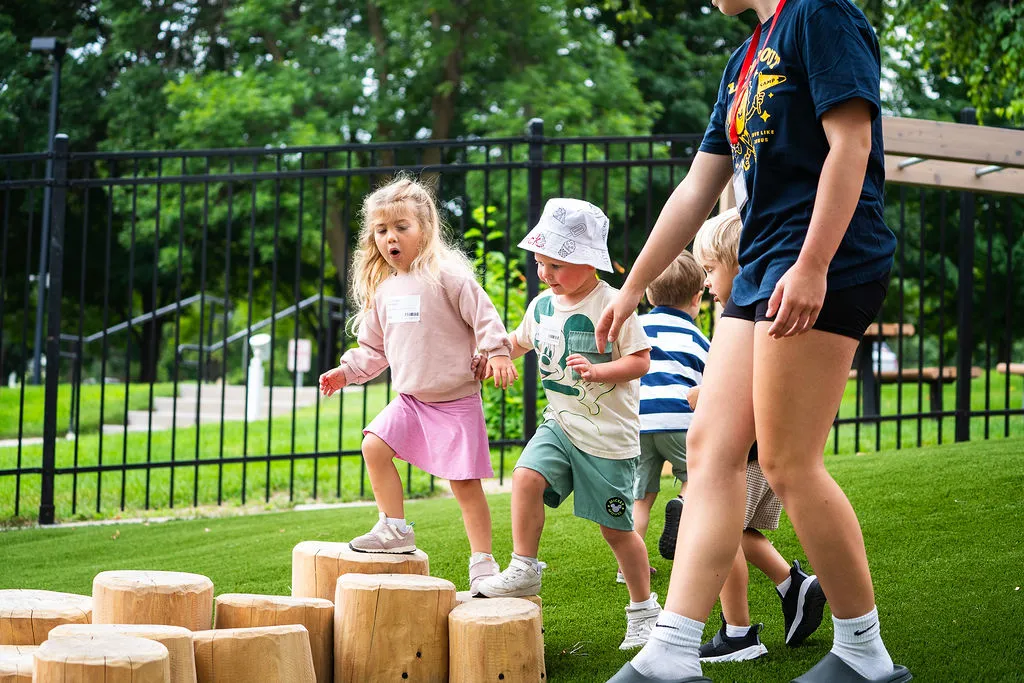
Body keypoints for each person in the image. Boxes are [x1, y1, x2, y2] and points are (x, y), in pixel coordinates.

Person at [599, 0, 912, 680]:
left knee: (787, 461)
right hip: (761, 265)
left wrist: (815, 264)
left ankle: (865, 653)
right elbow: (697, 185)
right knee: (709, 447)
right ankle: (673, 650)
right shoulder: (744, 59)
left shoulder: (820, 14)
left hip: (823, 258)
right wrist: (630, 287)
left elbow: (851, 142)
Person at [474, 198, 661, 651]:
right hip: (560, 424)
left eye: (556, 263)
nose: (545, 272)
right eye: (540, 262)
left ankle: (644, 610)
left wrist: (599, 371)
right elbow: (518, 343)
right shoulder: (540, 306)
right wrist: (493, 357)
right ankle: (524, 566)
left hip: (608, 441)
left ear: (589, 261)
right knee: (524, 476)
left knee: (617, 532)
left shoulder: (614, 304)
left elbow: (640, 361)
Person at [318, 176, 518, 595]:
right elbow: (373, 348)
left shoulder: (447, 276)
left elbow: (483, 315)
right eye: (382, 230)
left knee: (464, 485)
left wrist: (497, 351)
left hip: (456, 401)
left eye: (401, 227)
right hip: (410, 401)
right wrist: (346, 371)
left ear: (424, 230)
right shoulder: (385, 291)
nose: (391, 237)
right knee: (373, 445)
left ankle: (483, 560)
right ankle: (395, 528)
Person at [684, 208, 827, 664]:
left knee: (715, 524)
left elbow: (754, 384)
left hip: (743, 455)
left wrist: (706, 395)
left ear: (742, 265)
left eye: (710, 270)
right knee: (741, 532)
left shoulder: (751, 316)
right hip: (753, 453)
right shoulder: (741, 314)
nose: (705, 284)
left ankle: (739, 633)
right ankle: (795, 585)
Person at [623, 250, 709, 583]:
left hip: (640, 422)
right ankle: (683, 503)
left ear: (647, 293)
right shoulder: (698, 338)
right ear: (697, 297)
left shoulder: (638, 328)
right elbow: (710, 384)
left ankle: (629, 565)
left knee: (641, 496)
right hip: (680, 420)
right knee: (696, 478)